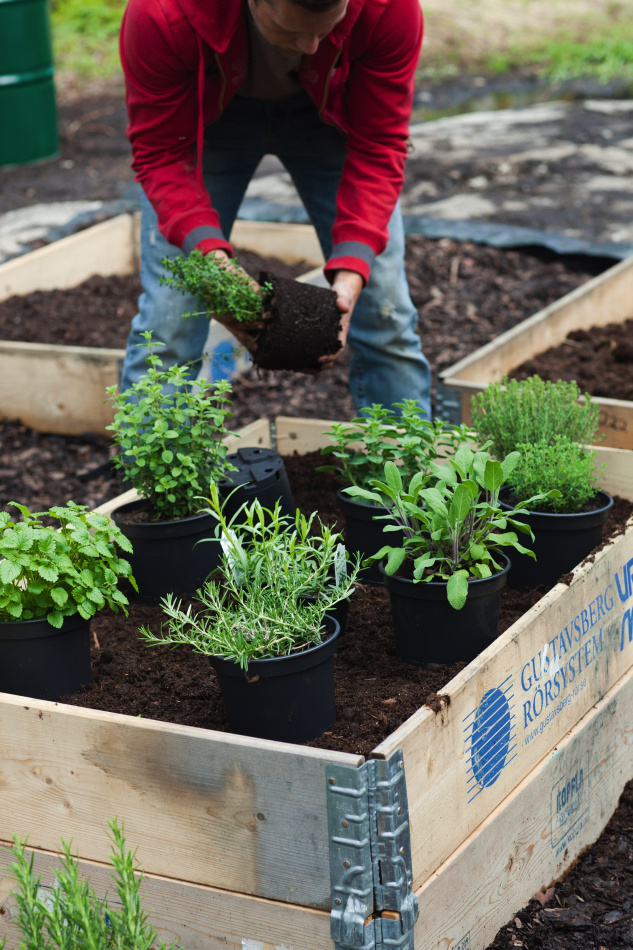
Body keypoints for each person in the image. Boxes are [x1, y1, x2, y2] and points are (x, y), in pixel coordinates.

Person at [119, 0, 431, 417]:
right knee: (170, 319)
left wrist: (353, 271)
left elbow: (379, 144)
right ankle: (148, 480)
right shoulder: (161, 12)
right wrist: (211, 261)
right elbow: (159, 154)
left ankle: (408, 472)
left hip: (327, 113)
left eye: (325, 29)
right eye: (292, 30)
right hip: (208, 117)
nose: (310, 45)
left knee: (386, 308)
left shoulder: (388, 7)